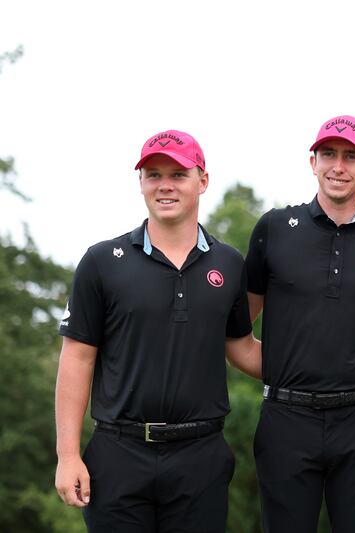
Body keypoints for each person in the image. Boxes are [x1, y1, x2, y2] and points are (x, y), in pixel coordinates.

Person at [54, 129, 261, 532]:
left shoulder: (230, 263)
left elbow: (242, 348)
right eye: (153, 174)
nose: (164, 185)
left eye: (178, 174)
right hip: (118, 454)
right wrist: (67, 455)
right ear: (141, 183)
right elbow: (77, 358)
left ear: (202, 181)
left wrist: (320, 369)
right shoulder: (102, 262)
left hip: (201, 455)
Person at [245, 115, 355, 533]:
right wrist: (282, 368)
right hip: (287, 419)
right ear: (312, 161)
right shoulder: (274, 228)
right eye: (328, 154)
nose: (338, 166)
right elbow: (239, 325)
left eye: (352, 157)